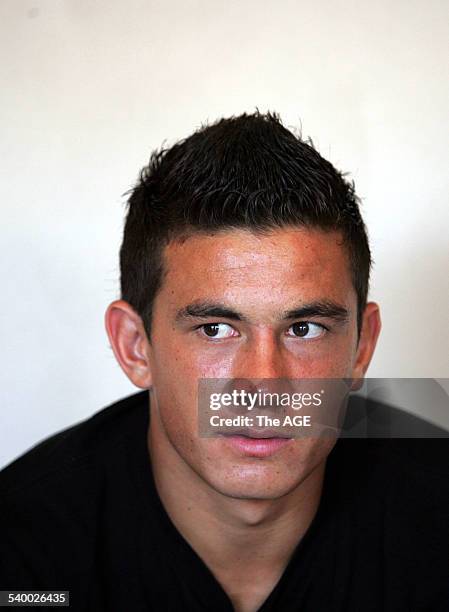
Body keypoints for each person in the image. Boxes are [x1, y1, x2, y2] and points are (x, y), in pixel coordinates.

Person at [0, 112, 448, 612]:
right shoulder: (22, 547)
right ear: (134, 346)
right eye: (215, 329)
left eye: (305, 329)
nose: (264, 384)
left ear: (362, 348)